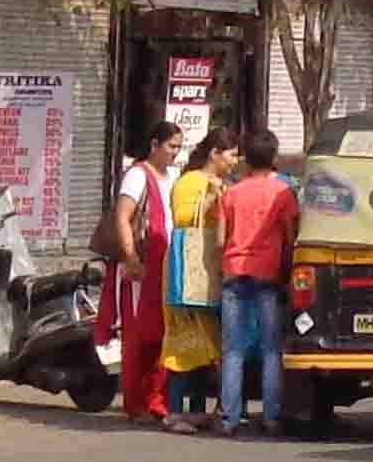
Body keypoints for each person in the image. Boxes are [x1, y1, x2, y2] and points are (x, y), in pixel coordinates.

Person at [211, 127, 299, 435]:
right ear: (274, 158)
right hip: (268, 274)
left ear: (246, 159)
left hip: (234, 273)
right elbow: (290, 238)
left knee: (233, 350)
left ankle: (229, 419)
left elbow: (220, 240)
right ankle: (272, 417)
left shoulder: (231, 193)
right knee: (270, 349)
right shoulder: (284, 193)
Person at [103, 121, 182, 423]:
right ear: (154, 145)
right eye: (171, 146)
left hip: (167, 264)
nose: (175, 153)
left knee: (164, 335)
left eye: (178, 147)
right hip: (142, 266)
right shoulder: (137, 175)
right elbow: (123, 218)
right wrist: (131, 258)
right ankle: (136, 404)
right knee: (139, 336)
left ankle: (156, 400)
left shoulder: (174, 175)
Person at [163, 133, 228, 430]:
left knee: (206, 344)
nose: (234, 161)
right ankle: (175, 411)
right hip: (185, 270)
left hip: (207, 271)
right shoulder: (188, 183)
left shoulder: (222, 185)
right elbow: (184, 219)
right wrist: (212, 198)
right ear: (215, 153)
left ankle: (197, 409)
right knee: (183, 341)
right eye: (231, 155)